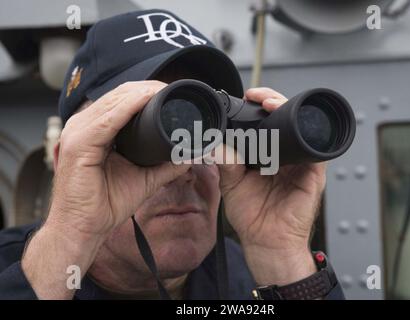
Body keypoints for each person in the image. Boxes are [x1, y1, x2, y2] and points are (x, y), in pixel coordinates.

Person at [0, 9, 344, 300]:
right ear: (67, 163)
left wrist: (283, 256)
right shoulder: (13, 274)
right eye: (155, 131)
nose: (184, 168)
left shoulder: (248, 276)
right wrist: (66, 240)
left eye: (206, 131)